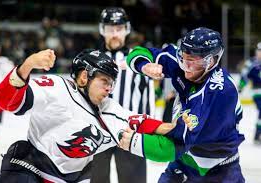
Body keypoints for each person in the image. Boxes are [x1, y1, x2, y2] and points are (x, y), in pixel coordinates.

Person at [0, 48, 172, 183]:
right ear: (84, 77)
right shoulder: (57, 88)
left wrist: (178, 129)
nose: (109, 88)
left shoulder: (109, 109)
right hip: (31, 169)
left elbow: (143, 123)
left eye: (112, 83)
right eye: (104, 81)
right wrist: (28, 65)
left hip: (72, 178)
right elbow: (6, 101)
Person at [119, 27, 245, 182]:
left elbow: (173, 146)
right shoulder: (185, 61)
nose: (186, 67)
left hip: (220, 169)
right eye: (184, 58)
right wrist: (145, 65)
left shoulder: (219, 93)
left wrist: (134, 142)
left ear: (212, 60)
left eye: (193, 61)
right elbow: (139, 52)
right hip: (184, 161)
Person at [92, 7, 155, 183]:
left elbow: (147, 97)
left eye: (119, 29)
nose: (114, 34)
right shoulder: (91, 59)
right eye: (110, 29)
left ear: (126, 30)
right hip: (97, 133)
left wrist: (148, 131)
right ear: (102, 30)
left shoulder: (138, 60)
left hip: (130, 132)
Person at [239, 42, 261, 144]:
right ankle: (257, 135)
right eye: (258, 51)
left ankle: (257, 135)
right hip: (257, 92)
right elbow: (244, 76)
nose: (259, 53)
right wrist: (240, 87)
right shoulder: (251, 62)